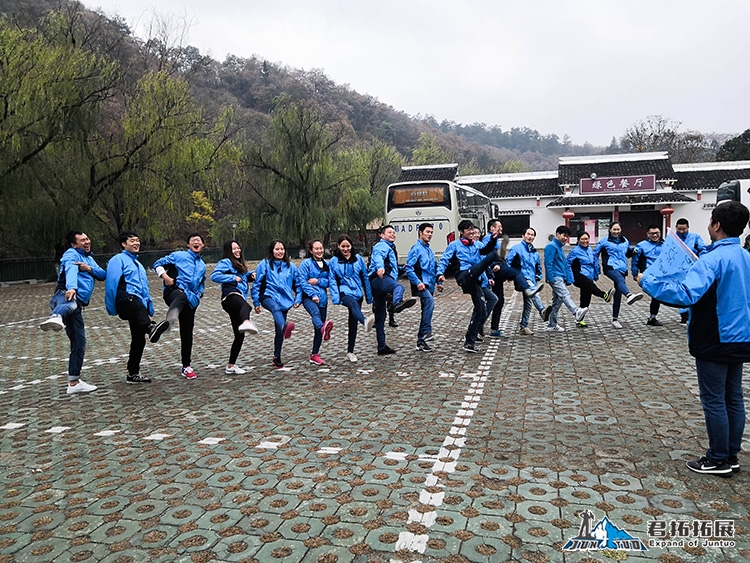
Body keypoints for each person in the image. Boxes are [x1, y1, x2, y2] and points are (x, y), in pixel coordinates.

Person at [639, 201, 750, 476]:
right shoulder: (747, 257)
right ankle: (731, 455)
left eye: (710, 221)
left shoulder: (712, 260)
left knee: (714, 399)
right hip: (742, 336)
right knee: (733, 397)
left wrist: (647, 283)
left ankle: (717, 459)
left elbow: (686, 295)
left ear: (716, 225)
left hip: (715, 336)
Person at [437, 220, 541, 352]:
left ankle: (470, 341)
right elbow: (444, 260)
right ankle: (496, 255)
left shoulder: (476, 245)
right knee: (485, 261)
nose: (471, 232)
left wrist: (492, 240)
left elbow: (485, 249)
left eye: (472, 230)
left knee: (483, 307)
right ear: (461, 232)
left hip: (476, 281)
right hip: (464, 276)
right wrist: (440, 274)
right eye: (468, 230)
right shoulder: (454, 245)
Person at [40, 231, 106, 394]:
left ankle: (74, 383)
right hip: (64, 295)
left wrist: (88, 268)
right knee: (72, 305)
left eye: (87, 239)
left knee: (79, 342)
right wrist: (72, 287)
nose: (87, 242)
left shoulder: (89, 258)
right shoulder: (71, 254)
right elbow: (70, 269)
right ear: (74, 244)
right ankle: (56, 316)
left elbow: (103, 275)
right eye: (82, 240)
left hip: (76, 301)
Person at [105, 231, 170, 384]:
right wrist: (111, 307)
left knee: (139, 339)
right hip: (125, 299)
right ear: (123, 244)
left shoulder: (139, 264)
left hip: (138, 304)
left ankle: (133, 373)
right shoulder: (118, 259)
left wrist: (149, 307)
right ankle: (151, 328)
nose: (136, 243)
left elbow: (144, 289)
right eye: (132, 241)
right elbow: (111, 283)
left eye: (137, 240)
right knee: (134, 304)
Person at [153, 233, 207, 380]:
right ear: (188, 245)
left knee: (187, 332)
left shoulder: (202, 265)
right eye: (193, 240)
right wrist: (166, 277)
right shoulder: (178, 256)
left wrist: (200, 293)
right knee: (181, 295)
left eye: (199, 240)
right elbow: (157, 264)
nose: (196, 242)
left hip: (192, 300)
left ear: (203, 245)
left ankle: (186, 366)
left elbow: (202, 282)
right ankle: (169, 319)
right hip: (173, 291)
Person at [210, 240, 259, 375]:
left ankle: (231, 366)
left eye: (238, 248)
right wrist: (232, 277)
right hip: (230, 295)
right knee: (246, 307)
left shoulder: (239, 264)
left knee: (239, 336)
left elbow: (243, 276)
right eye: (234, 249)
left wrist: (251, 275)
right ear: (228, 251)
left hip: (238, 296)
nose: (237, 250)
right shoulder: (225, 262)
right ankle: (246, 322)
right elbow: (214, 276)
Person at [251, 239, 301, 369]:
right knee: (275, 308)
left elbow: (298, 285)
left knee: (279, 331)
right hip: (268, 296)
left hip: (285, 300)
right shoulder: (264, 264)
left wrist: (298, 299)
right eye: (277, 249)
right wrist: (256, 301)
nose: (280, 252)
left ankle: (276, 356)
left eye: (282, 249)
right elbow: (256, 284)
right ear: (272, 251)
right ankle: (284, 328)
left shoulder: (291, 267)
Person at [368, 225, 416, 355]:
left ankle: (381, 347)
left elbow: (391, 267)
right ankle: (397, 303)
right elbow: (378, 257)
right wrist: (379, 268)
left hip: (378, 281)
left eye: (394, 232)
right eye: (389, 232)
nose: (393, 234)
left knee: (380, 316)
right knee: (398, 287)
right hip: (379, 278)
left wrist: (402, 269)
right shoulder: (382, 246)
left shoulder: (390, 247)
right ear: (382, 235)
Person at [329, 234, 373, 363]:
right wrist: (336, 298)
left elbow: (365, 277)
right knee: (353, 305)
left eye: (347, 246)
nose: (345, 249)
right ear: (338, 246)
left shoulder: (358, 259)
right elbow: (332, 279)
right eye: (343, 246)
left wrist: (368, 296)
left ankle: (350, 351)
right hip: (344, 292)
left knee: (352, 323)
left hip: (358, 292)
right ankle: (365, 321)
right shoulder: (334, 261)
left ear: (351, 246)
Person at [596, 221, 644, 329]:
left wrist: (633, 251)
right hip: (610, 267)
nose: (616, 232)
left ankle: (615, 319)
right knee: (619, 280)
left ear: (620, 230)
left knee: (618, 294)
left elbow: (627, 254)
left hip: (622, 268)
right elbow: (595, 254)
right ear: (610, 230)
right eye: (614, 229)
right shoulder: (604, 241)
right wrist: (597, 269)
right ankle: (629, 295)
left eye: (618, 229)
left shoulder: (625, 240)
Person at [483, 219, 524, 338]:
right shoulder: (488, 239)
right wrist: (492, 266)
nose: (501, 229)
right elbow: (484, 256)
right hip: (494, 272)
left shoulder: (495, 240)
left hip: (498, 271)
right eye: (498, 227)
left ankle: (493, 328)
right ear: (491, 228)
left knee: (498, 301)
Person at [543, 225, 588, 332]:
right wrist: (550, 278)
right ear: (557, 234)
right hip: (555, 277)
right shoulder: (551, 246)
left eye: (567, 236)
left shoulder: (559, 247)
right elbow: (548, 263)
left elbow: (564, 265)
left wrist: (568, 279)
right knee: (565, 294)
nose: (565, 238)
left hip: (560, 277)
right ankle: (576, 311)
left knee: (557, 303)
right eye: (564, 235)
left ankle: (552, 324)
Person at [405, 223, 441, 352]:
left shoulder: (429, 250)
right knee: (429, 303)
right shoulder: (416, 248)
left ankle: (421, 341)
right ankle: (426, 331)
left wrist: (439, 280)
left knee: (426, 309)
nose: (430, 234)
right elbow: (408, 268)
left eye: (431, 232)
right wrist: (417, 282)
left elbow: (434, 267)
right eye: (428, 232)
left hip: (429, 284)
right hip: (421, 284)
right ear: (420, 232)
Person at [506, 227, 549, 335]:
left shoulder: (535, 252)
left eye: (532, 235)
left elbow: (538, 267)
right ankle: (542, 310)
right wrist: (509, 274)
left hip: (531, 279)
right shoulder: (516, 248)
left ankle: (523, 326)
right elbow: (508, 262)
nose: (530, 236)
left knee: (528, 303)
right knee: (532, 290)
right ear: (523, 235)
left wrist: (538, 276)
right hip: (521, 278)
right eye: (528, 234)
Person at [298, 239, 334, 366]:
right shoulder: (305, 264)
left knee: (318, 329)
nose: (319, 251)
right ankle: (323, 328)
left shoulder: (327, 265)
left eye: (321, 248)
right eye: (316, 249)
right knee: (315, 314)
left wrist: (318, 281)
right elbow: (302, 282)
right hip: (308, 298)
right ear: (311, 250)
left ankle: (314, 354)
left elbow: (329, 281)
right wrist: (312, 294)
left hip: (323, 299)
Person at [567, 231, 613, 327]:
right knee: (591, 288)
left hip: (589, 276)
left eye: (587, 239)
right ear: (578, 240)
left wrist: (596, 274)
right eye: (583, 239)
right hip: (578, 275)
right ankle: (604, 295)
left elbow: (594, 263)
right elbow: (568, 264)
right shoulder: (575, 251)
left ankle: (579, 320)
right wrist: (569, 278)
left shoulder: (590, 250)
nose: (585, 241)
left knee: (585, 298)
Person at [631, 225, 665, 326]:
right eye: (652, 233)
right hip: (647, 275)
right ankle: (652, 317)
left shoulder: (666, 245)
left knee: (657, 295)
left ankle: (652, 317)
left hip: (661, 275)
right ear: (647, 234)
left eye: (657, 233)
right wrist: (634, 274)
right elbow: (635, 260)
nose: (655, 235)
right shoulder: (641, 245)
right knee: (656, 294)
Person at [675, 218, 707, 324]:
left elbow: (702, 250)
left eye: (684, 229)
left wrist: (701, 260)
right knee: (681, 291)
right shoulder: (673, 238)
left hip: (693, 269)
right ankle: (684, 315)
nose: (681, 231)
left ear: (688, 227)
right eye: (679, 229)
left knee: (692, 290)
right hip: (679, 269)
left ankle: (692, 313)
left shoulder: (695, 237)